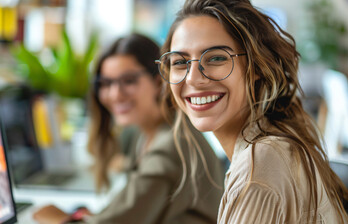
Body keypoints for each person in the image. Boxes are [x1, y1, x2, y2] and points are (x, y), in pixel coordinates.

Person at [157, 0, 348, 224]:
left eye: (216, 58)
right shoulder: (277, 142)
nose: (192, 78)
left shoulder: (258, 167)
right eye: (180, 62)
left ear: (256, 67)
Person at [33, 33, 224, 224]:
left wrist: (61, 219)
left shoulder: (169, 148)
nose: (115, 94)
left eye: (129, 81)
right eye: (106, 83)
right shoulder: (147, 134)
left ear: (158, 82)